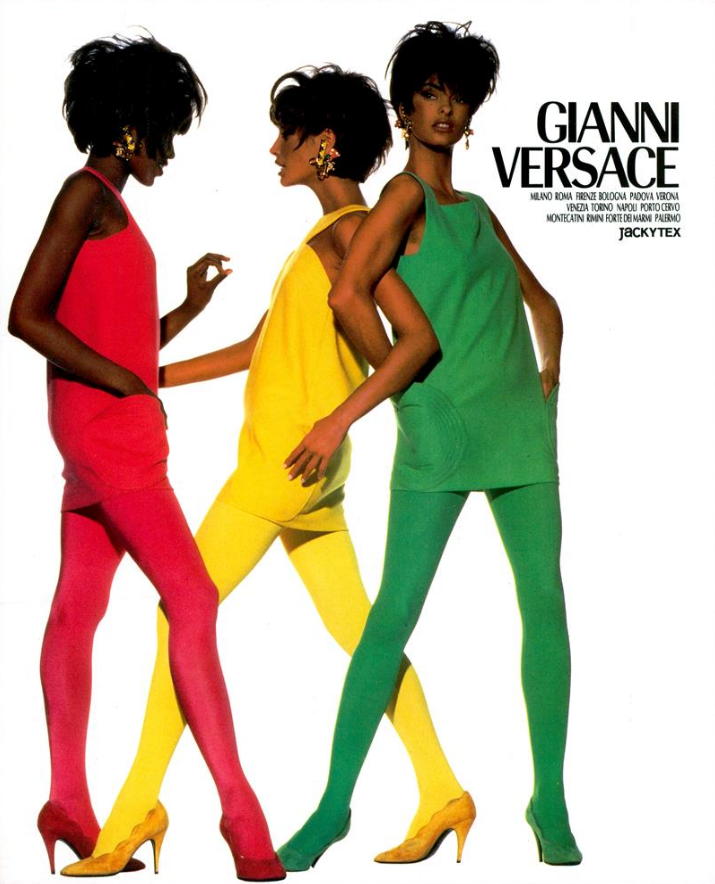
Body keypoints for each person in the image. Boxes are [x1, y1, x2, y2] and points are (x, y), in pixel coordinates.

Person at [88, 63, 469, 874]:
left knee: (178, 615)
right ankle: (441, 790)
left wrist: (336, 420)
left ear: (322, 144)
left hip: (279, 469)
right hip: (310, 481)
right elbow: (255, 348)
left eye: (285, 137)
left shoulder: (347, 235)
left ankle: (131, 813)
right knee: (363, 635)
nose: (273, 150)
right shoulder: (329, 235)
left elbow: (413, 344)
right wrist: (148, 377)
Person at [278, 21, 582, 869]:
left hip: (518, 429)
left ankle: (548, 798)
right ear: (403, 108)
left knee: (544, 604)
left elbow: (542, 300)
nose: (446, 108)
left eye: (459, 95)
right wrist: (404, 390)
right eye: (429, 93)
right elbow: (347, 295)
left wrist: (550, 370)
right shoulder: (400, 199)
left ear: (472, 110)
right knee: (390, 618)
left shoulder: (477, 210)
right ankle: (333, 807)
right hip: (438, 435)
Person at [8, 34, 284, 881]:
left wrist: (189, 309)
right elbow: (25, 314)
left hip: (96, 431)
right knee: (192, 596)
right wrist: (122, 383)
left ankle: (68, 804)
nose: (169, 151)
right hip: (110, 433)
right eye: (164, 133)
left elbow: (118, 341)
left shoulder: (112, 209)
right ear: (131, 127)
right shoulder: (84, 195)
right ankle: (240, 813)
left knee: (76, 609)